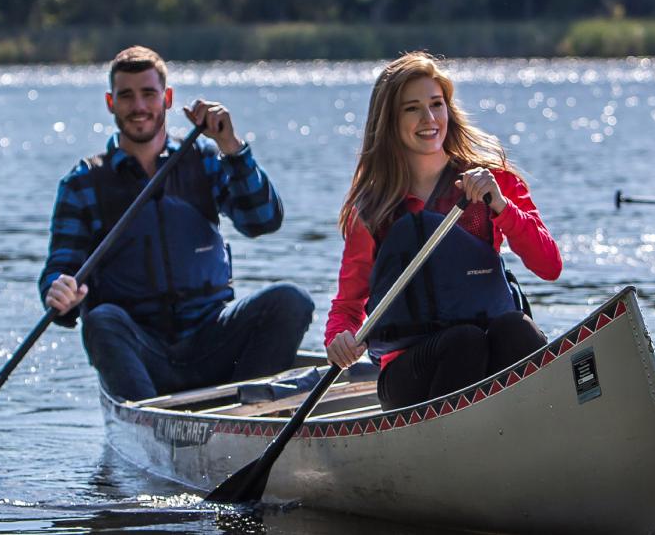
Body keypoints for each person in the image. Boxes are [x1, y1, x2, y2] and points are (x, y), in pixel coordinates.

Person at [38, 45, 314, 401]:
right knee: (102, 319)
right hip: (141, 353)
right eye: (126, 96)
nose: (139, 107)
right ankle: (149, 417)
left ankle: (248, 410)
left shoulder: (205, 160)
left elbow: (262, 220)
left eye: (148, 94)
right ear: (110, 103)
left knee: (291, 301)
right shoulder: (82, 183)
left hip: (212, 339)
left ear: (166, 98)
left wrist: (231, 146)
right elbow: (59, 270)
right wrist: (57, 292)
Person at [324, 52, 563, 411]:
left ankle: (547, 425)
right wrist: (339, 338)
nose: (429, 119)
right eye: (412, 108)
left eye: (436, 104)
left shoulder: (493, 185)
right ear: (390, 121)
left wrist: (500, 205)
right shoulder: (373, 211)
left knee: (515, 329)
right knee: (463, 342)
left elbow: (550, 266)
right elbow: (347, 306)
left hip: (489, 355)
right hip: (411, 376)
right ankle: (450, 451)